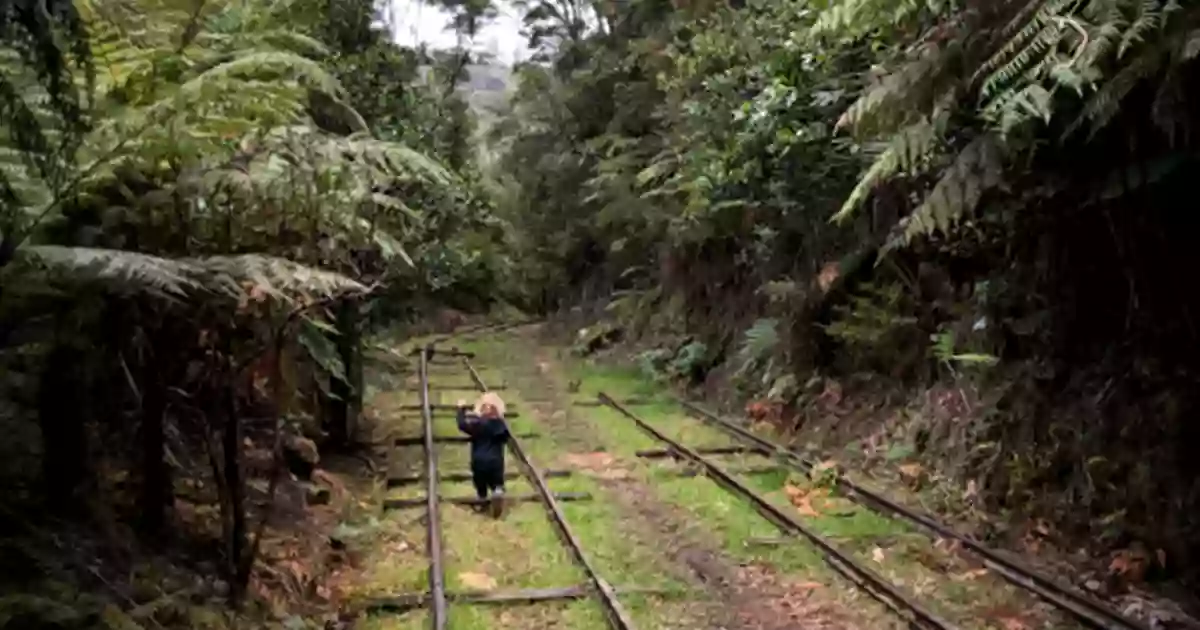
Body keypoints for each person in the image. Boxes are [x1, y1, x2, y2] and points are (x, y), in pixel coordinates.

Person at [455, 392, 510, 518]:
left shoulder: (477, 424)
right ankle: (497, 491)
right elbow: (505, 438)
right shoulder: (500, 426)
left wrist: (461, 409)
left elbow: (462, 425)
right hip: (495, 461)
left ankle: (482, 500)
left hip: (479, 460)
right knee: (497, 482)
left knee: (480, 483)